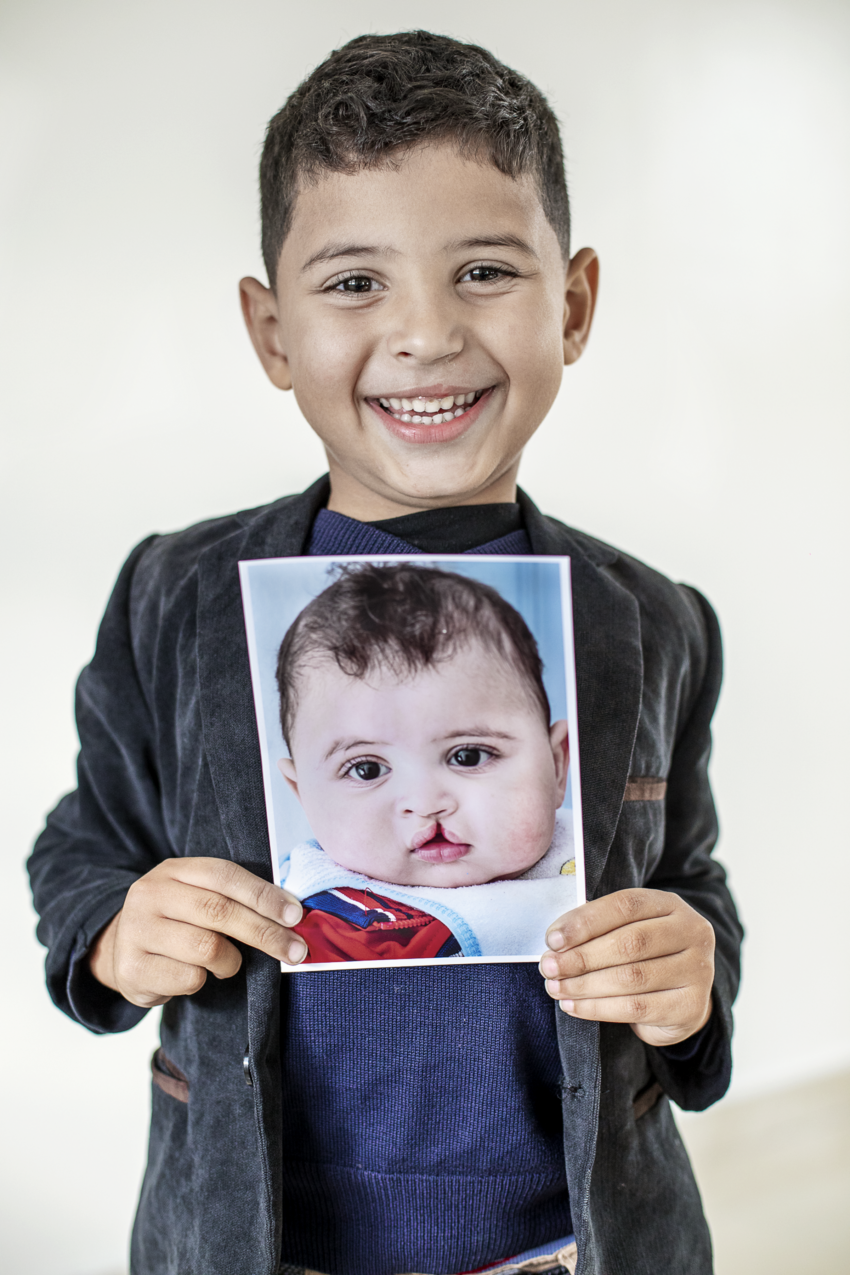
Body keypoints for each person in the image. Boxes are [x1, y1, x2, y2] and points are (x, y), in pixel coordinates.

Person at [27, 30, 742, 1275]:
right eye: (355, 283)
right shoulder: (171, 596)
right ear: (270, 333)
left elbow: (691, 878)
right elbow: (82, 840)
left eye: (482, 271)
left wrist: (695, 975)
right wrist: (110, 927)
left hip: (574, 1243)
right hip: (259, 1241)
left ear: (569, 305)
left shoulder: (655, 618)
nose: (423, 335)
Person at [273, 561, 575, 963]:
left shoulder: (595, 855)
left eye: (467, 756)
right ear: (302, 794)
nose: (426, 801)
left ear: (557, 765)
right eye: (367, 769)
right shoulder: (310, 916)